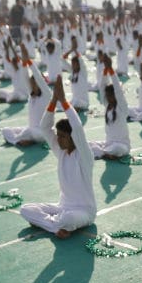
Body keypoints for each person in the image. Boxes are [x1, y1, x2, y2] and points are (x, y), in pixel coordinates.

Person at [18, 76, 95, 239]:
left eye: (62, 136)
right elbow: (45, 127)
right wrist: (53, 100)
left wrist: (64, 102)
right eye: (58, 136)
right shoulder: (61, 153)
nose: (58, 139)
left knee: (67, 219)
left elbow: (78, 127)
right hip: (62, 208)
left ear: (73, 138)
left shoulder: (84, 155)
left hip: (83, 212)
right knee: (26, 209)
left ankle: (54, 224)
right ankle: (55, 227)